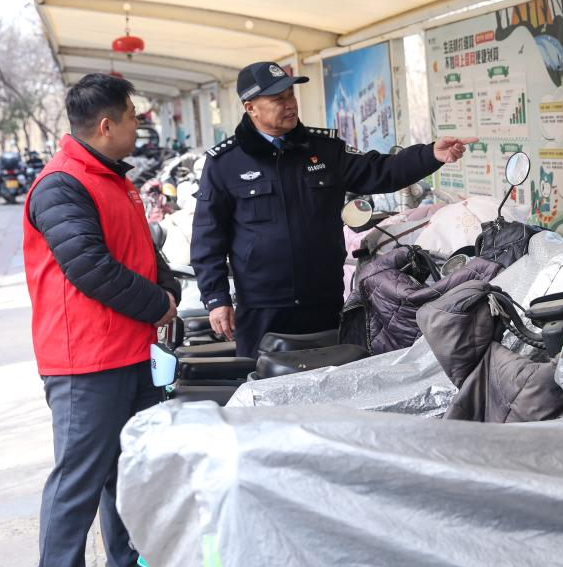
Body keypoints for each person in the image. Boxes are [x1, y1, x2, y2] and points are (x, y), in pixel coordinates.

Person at [192, 60, 474, 357]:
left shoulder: (324, 149)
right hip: (262, 306)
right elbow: (207, 237)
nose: (290, 104)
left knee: (331, 379)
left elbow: (382, 171)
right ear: (251, 108)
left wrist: (430, 155)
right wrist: (216, 298)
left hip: (323, 300)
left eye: (290, 95)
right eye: (278, 99)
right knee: (261, 381)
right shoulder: (225, 164)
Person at [23, 73, 181, 567]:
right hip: (85, 364)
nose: (139, 126)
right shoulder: (61, 185)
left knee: (130, 478)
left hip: (131, 352)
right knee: (77, 486)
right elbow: (90, 268)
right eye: (133, 117)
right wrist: (157, 304)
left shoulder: (115, 178)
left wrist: (168, 288)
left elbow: (140, 248)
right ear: (107, 125)